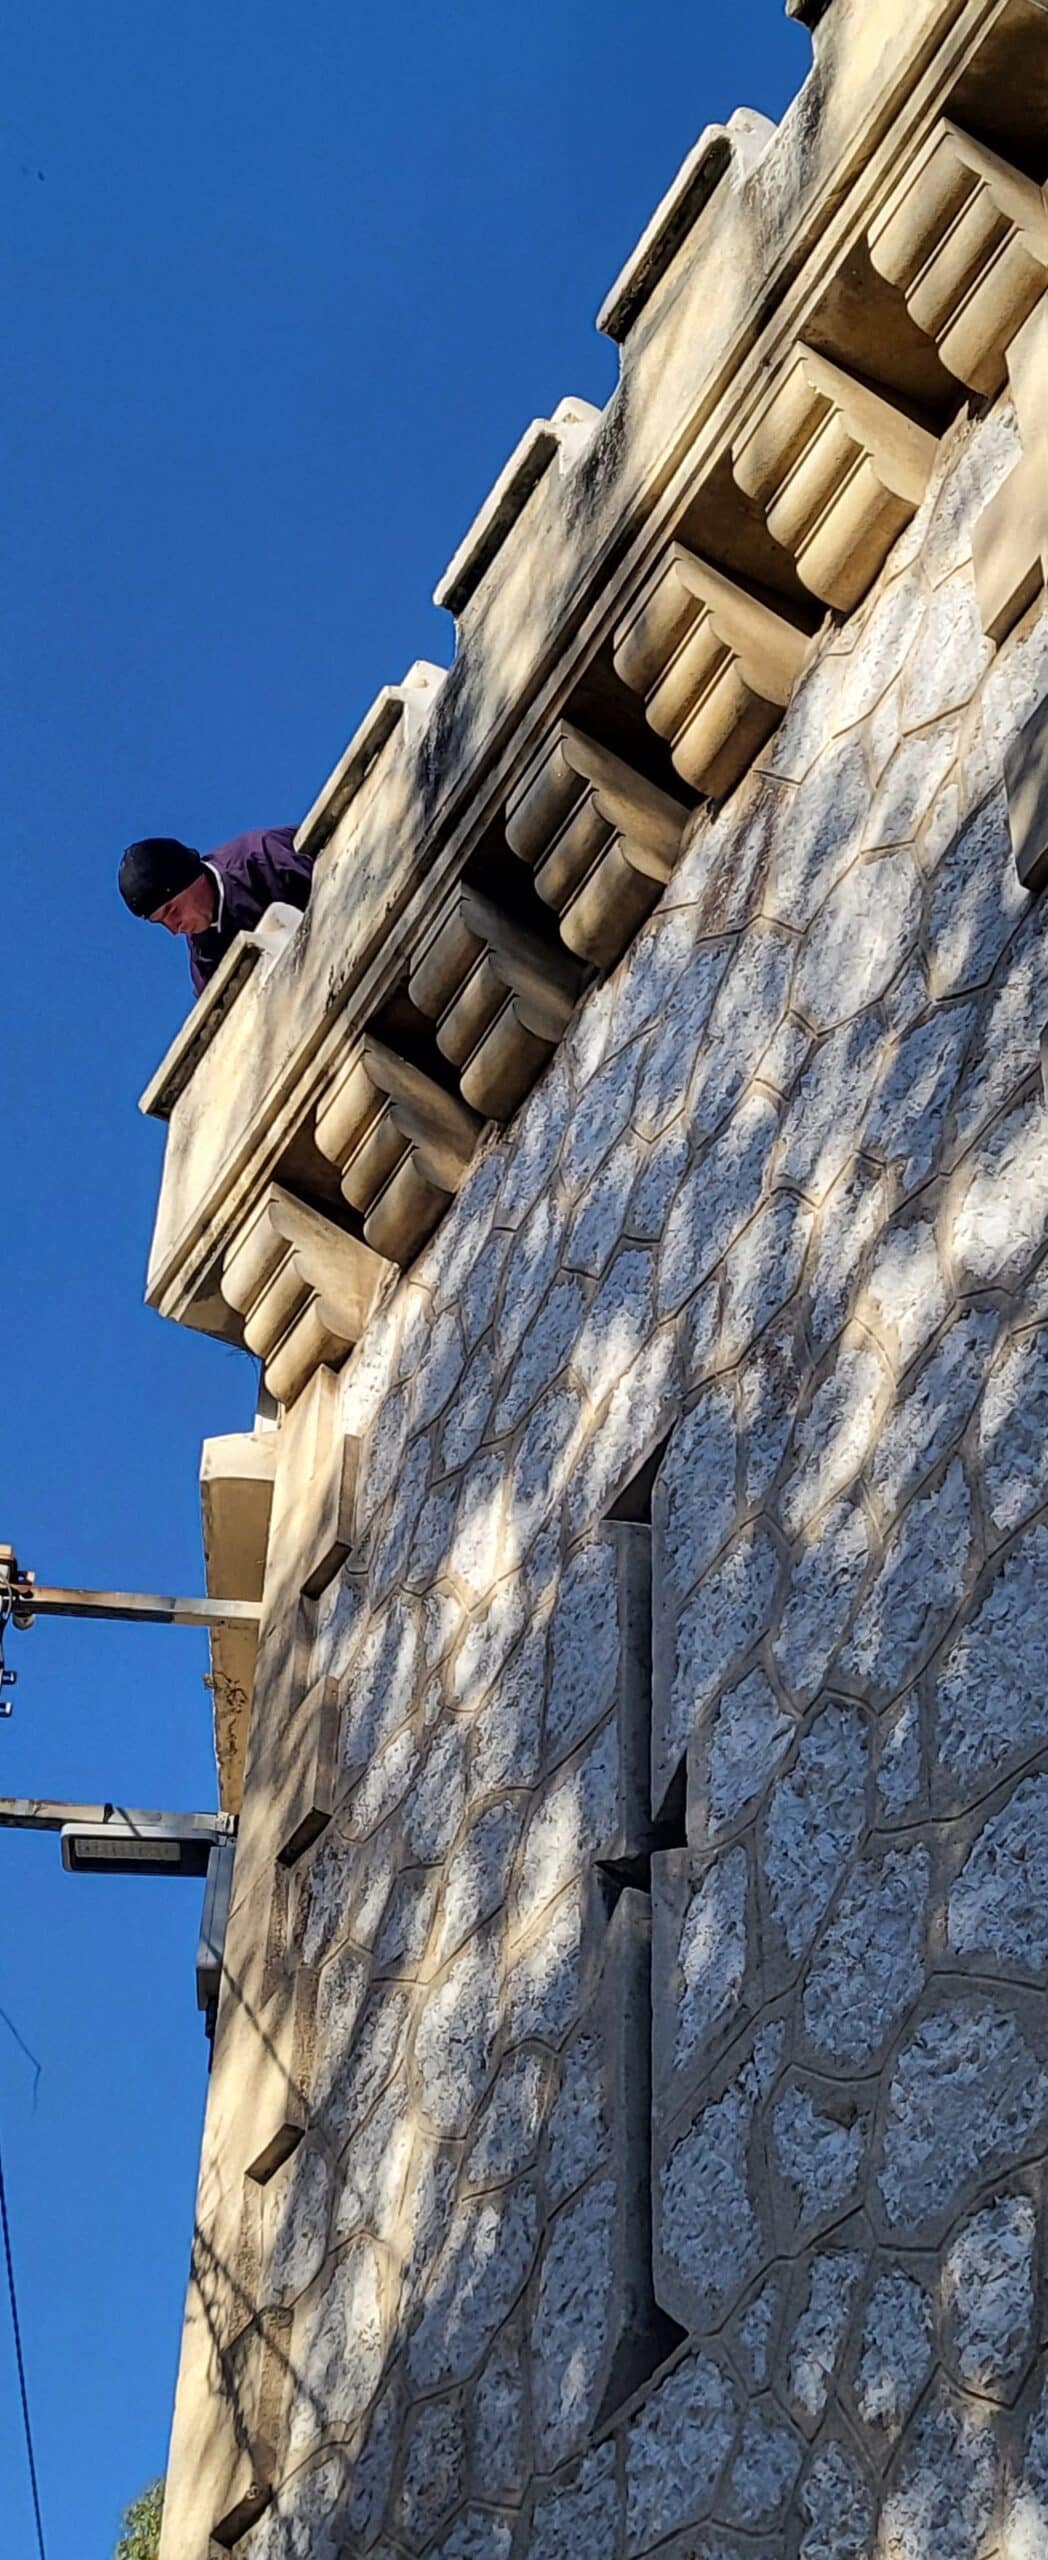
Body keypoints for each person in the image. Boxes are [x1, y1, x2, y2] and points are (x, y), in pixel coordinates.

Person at [118, 827, 315, 996]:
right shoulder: (205, 958)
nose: (174, 929)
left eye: (172, 910)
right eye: (160, 922)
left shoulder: (262, 857)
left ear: (191, 880)